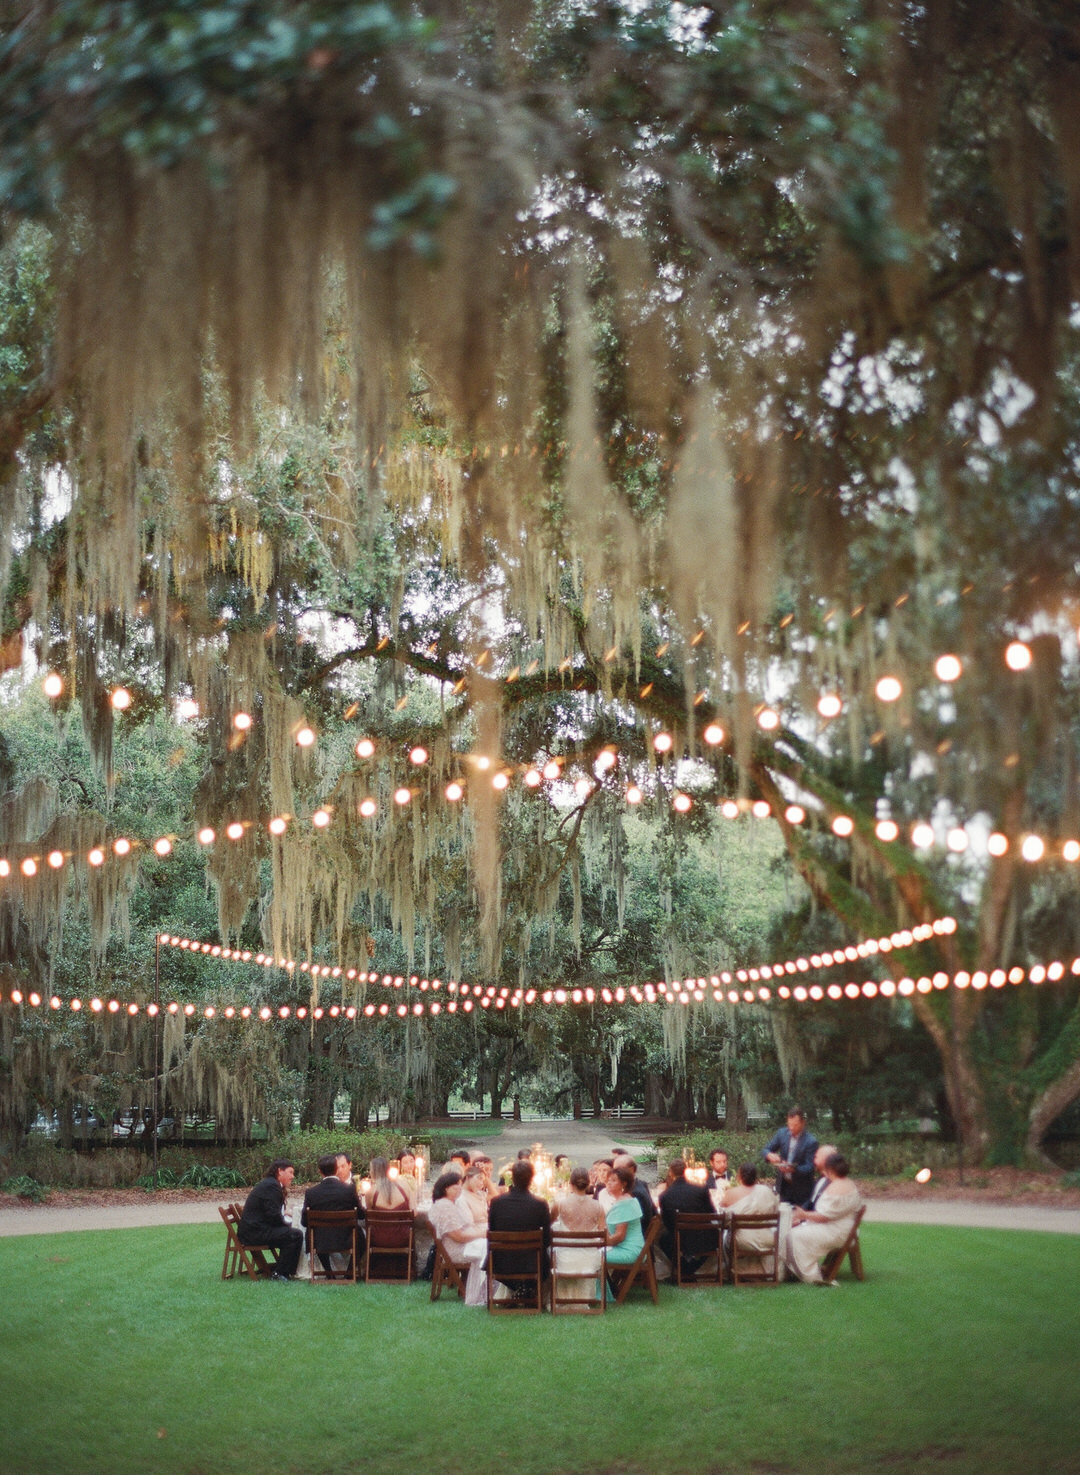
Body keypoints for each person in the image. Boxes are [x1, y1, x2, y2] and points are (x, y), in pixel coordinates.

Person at [784, 1152, 863, 1284]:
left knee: (793, 1235)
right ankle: (792, 1270)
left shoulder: (837, 1188)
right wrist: (804, 1219)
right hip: (843, 1228)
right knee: (795, 1229)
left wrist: (804, 1215)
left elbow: (824, 1216)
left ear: (830, 1169)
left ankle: (809, 1274)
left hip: (836, 1231)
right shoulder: (848, 1183)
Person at [487, 1158, 551, 1297]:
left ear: (512, 1178)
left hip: (501, 1262)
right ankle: (526, 1289)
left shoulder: (497, 1202)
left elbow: (492, 1231)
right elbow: (547, 1239)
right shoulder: (539, 1204)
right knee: (545, 1254)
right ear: (532, 1179)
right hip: (532, 1263)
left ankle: (522, 1289)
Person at [426, 1170, 488, 1306]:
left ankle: (492, 1292)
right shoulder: (444, 1206)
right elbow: (458, 1236)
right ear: (446, 1188)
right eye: (456, 1187)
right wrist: (482, 1234)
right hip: (456, 1250)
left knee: (490, 1245)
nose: (460, 1189)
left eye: (460, 1186)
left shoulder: (450, 1204)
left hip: (462, 1243)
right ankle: (484, 1293)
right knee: (489, 1249)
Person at [238, 1158, 304, 1281]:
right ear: (280, 1171)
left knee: (292, 1233)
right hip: (255, 1233)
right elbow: (273, 1216)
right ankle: (281, 1273)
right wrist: (288, 1224)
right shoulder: (271, 1186)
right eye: (290, 1172)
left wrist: (285, 1221)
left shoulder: (270, 1184)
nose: (292, 1176)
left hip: (256, 1230)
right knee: (295, 1234)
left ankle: (284, 1271)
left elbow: (272, 1213)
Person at [300, 1152, 364, 1277]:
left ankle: (328, 1271)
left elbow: (304, 1222)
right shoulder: (349, 1190)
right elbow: (361, 1215)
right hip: (347, 1238)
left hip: (320, 1240)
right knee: (361, 1237)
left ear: (320, 1171)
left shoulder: (311, 1193)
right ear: (336, 1169)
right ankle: (349, 1273)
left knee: (311, 1231)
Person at [551, 1165, 607, 1304]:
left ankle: (560, 1297)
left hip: (565, 1260)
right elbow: (603, 1232)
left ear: (570, 1184)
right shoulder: (598, 1207)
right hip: (589, 1260)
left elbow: (548, 1223)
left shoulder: (560, 1204)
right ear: (588, 1184)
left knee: (549, 1250)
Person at [658, 1158, 715, 1281]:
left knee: (663, 1239)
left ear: (671, 1173)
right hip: (706, 1237)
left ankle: (684, 1270)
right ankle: (689, 1270)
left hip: (679, 1239)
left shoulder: (665, 1195)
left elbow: (667, 1223)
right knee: (718, 1235)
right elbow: (712, 1212)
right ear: (686, 1171)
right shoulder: (701, 1188)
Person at [722, 1162, 780, 1273]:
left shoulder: (731, 1193)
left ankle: (734, 1270)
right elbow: (775, 1210)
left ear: (739, 1176)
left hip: (742, 1241)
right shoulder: (766, 1192)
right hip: (768, 1239)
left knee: (724, 1238)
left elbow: (723, 1215)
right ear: (756, 1177)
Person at [762, 1107, 819, 1206]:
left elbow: (810, 1166)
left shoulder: (811, 1142)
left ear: (803, 1123)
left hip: (802, 1188)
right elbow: (766, 1149)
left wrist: (793, 1169)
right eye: (789, 1124)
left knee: (800, 1218)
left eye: (795, 1125)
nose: (791, 1128)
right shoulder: (782, 1133)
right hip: (784, 1186)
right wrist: (769, 1155)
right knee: (784, 1215)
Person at [604, 1165, 645, 1268]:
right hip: (622, 1248)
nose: (609, 1183)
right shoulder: (624, 1200)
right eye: (608, 1180)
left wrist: (601, 1243)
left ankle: (601, 1285)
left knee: (591, 1257)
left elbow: (619, 1237)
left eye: (613, 1180)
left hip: (628, 1251)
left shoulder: (625, 1203)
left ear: (624, 1184)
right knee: (591, 1255)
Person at [613, 1154, 655, 1231]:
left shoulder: (634, 1193)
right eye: (614, 1170)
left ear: (631, 1169)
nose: (615, 1174)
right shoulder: (641, 1183)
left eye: (619, 1170)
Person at [802, 1143, 838, 1210]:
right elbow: (811, 1201)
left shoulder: (834, 1183)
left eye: (816, 1157)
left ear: (825, 1160)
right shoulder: (821, 1178)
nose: (813, 1161)